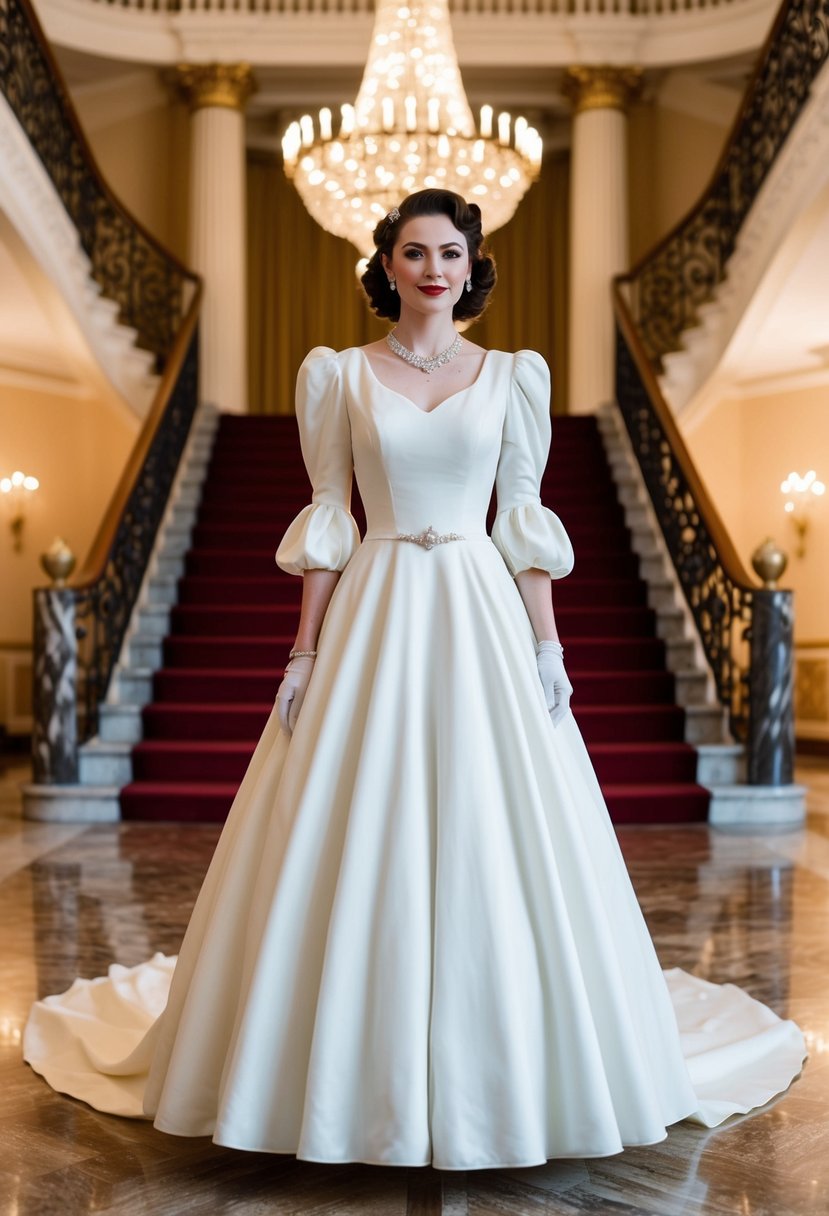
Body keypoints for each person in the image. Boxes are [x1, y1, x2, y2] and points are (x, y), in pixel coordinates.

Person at [23, 189, 806, 1171]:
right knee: (356, 820)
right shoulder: (340, 377)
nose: (432, 267)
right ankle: (331, 1071)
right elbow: (326, 524)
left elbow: (520, 521)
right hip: (377, 601)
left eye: (448, 252)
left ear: (471, 266)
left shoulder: (512, 376)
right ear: (385, 265)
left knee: (495, 819)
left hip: (478, 604)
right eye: (412, 251)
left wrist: (547, 645)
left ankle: (511, 1068)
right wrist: (303, 653)